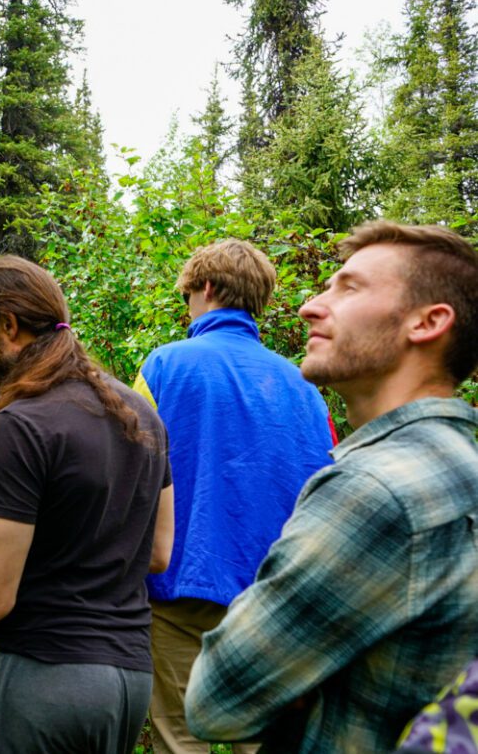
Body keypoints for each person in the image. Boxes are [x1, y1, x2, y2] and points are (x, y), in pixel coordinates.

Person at [185, 221, 478, 752]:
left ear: (428, 322)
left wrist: (298, 681)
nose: (311, 306)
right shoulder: (461, 463)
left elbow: (215, 699)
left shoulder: (376, 491)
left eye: (350, 288)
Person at [0, 255, 175, 754]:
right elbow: (158, 553)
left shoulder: (21, 422)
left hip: (45, 676)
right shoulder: (141, 415)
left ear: (8, 325)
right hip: (129, 679)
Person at [132, 240, 335, 754]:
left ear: (204, 289)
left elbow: (128, 473)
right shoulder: (305, 387)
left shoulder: (162, 368)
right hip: (273, 601)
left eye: (187, 297)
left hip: (178, 589)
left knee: (180, 741)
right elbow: (327, 492)